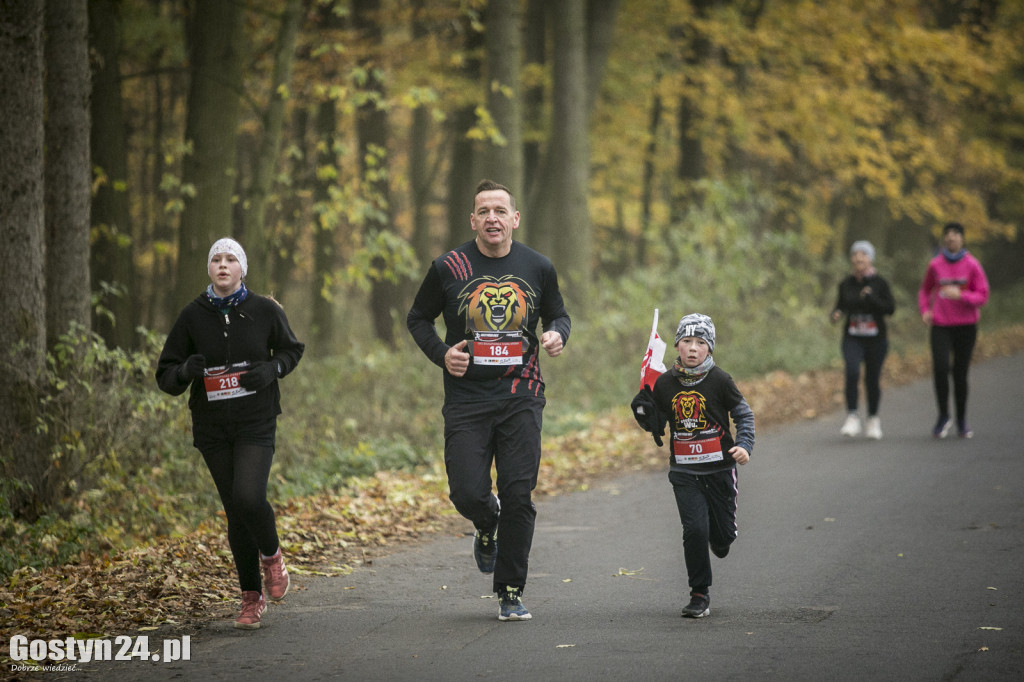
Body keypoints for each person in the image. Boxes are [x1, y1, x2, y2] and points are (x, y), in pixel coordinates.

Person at [406, 179, 571, 622]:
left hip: (522, 393)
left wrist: (557, 333)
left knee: (519, 493)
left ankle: (511, 589)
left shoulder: (538, 266)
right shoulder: (449, 266)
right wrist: (443, 355)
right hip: (467, 398)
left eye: (501, 210)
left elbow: (558, 312)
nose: (493, 218)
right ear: (473, 220)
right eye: (484, 211)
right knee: (466, 491)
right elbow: (418, 318)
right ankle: (484, 522)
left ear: (515, 218)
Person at [156, 237, 305, 630]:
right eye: (216, 259)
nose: (223, 265)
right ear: (209, 268)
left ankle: (272, 557)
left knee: (249, 496)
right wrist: (186, 370)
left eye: (231, 259)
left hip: (256, 420)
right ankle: (250, 599)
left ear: (242, 268)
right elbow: (165, 376)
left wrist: (271, 370)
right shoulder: (192, 316)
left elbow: (292, 351)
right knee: (236, 512)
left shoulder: (264, 311)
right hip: (212, 428)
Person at [630, 313, 754, 619]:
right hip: (685, 471)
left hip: (720, 469)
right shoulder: (664, 383)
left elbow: (743, 414)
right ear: (677, 345)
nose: (693, 348)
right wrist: (643, 411)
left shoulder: (721, 380)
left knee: (722, 539)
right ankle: (699, 593)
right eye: (687, 341)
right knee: (694, 529)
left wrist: (745, 445)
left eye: (700, 342)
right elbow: (657, 421)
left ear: (709, 349)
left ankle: (719, 535)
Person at [918, 222, 989, 438]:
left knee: (960, 373)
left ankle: (961, 420)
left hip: (966, 326)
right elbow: (925, 290)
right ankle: (943, 416)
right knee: (940, 368)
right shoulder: (935, 265)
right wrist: (924, 310)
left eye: (956, 234)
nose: (951, 238)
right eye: (947, 235)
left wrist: (962, 296)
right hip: (940, 325)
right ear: (944, 240)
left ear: (962, 239)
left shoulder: (972, 265)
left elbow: (983, 296)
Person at [830, 240, 896, 439]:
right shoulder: (846, 284)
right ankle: (852, 416)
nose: (859, 258)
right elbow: (840, 305)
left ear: (870, 259)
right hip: (853, 337)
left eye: (863, 254)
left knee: (872, 379)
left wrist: (871, 298)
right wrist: (835, 314)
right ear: (851, 259)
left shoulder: (880, 283)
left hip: (876, 339)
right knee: (852, 371)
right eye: (855, 254)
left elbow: (890, 309)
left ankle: (873, 419)